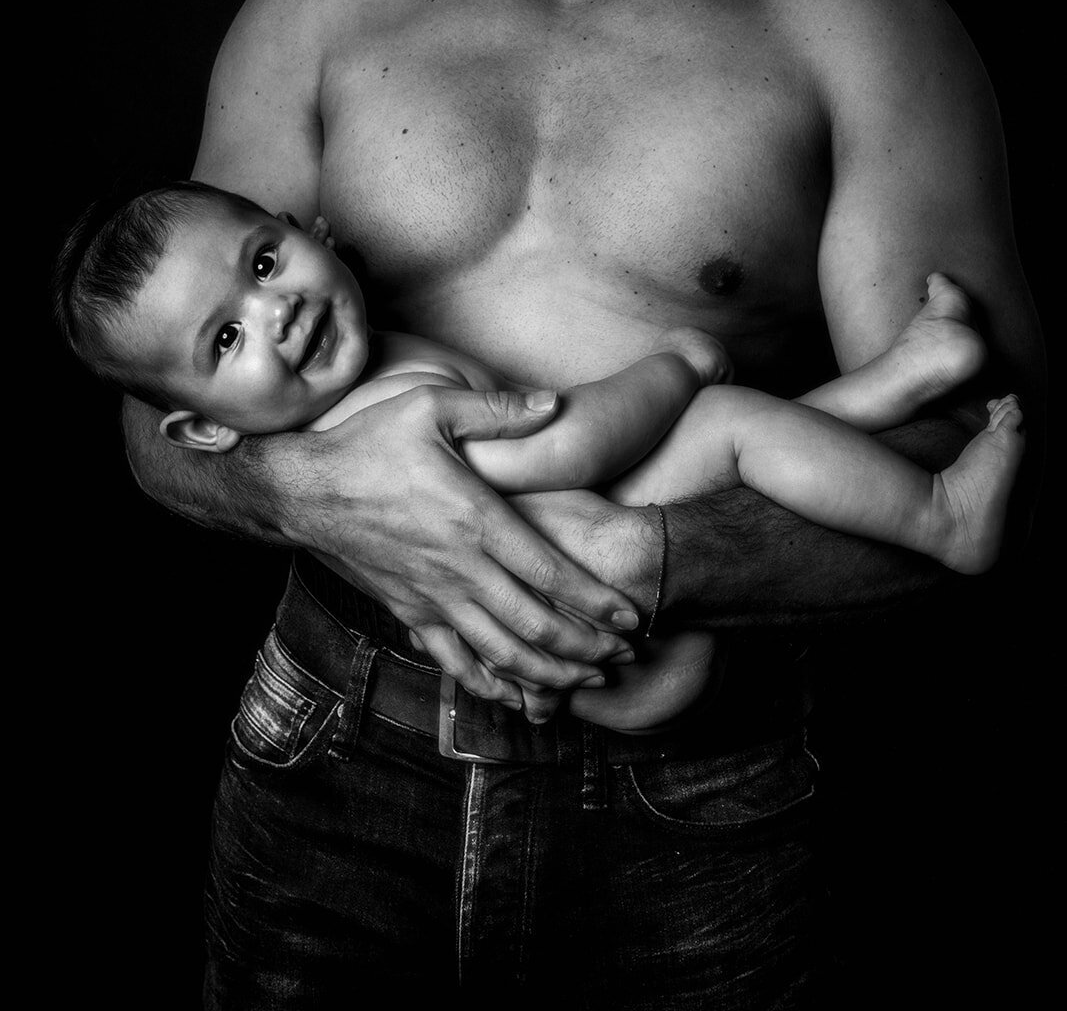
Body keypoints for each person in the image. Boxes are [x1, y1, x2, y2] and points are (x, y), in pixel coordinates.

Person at [118, 0, 1045, 1006]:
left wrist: (653, 560)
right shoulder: (318, 8)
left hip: (693, 802)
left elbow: (980, 459)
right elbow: (156, 417)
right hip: (334, 762)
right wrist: (321, 499)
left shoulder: (855, 28)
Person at [57, 179, 1022, 731]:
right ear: (204, 430)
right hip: (605, 645)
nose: (275, 312)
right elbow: (560, 447)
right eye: (222, 342)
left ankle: (902, 379)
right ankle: (940, 514)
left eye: (262, 263)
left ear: (310, 230)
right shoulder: (382, 416)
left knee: (741, 438)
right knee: (725, 426)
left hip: (603, 618)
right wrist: (670, 369)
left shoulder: (376, 370)